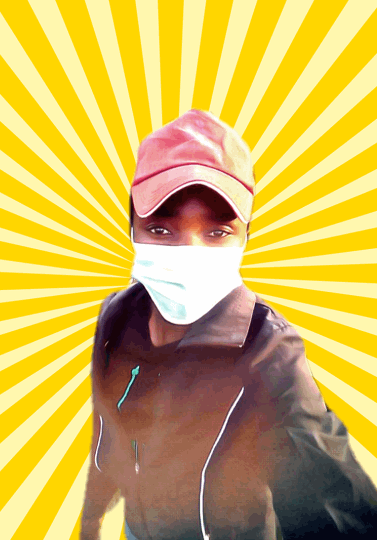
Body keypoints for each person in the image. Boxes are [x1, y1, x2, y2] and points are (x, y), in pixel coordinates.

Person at [80, 110, 377, 540]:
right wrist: (91, 520)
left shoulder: (268, 354)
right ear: (131, 230)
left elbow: (333, 505)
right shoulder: (117, 318)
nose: (189, 253)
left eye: (217, 233)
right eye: (160, 229)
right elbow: (107, 433)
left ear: (245, 238)